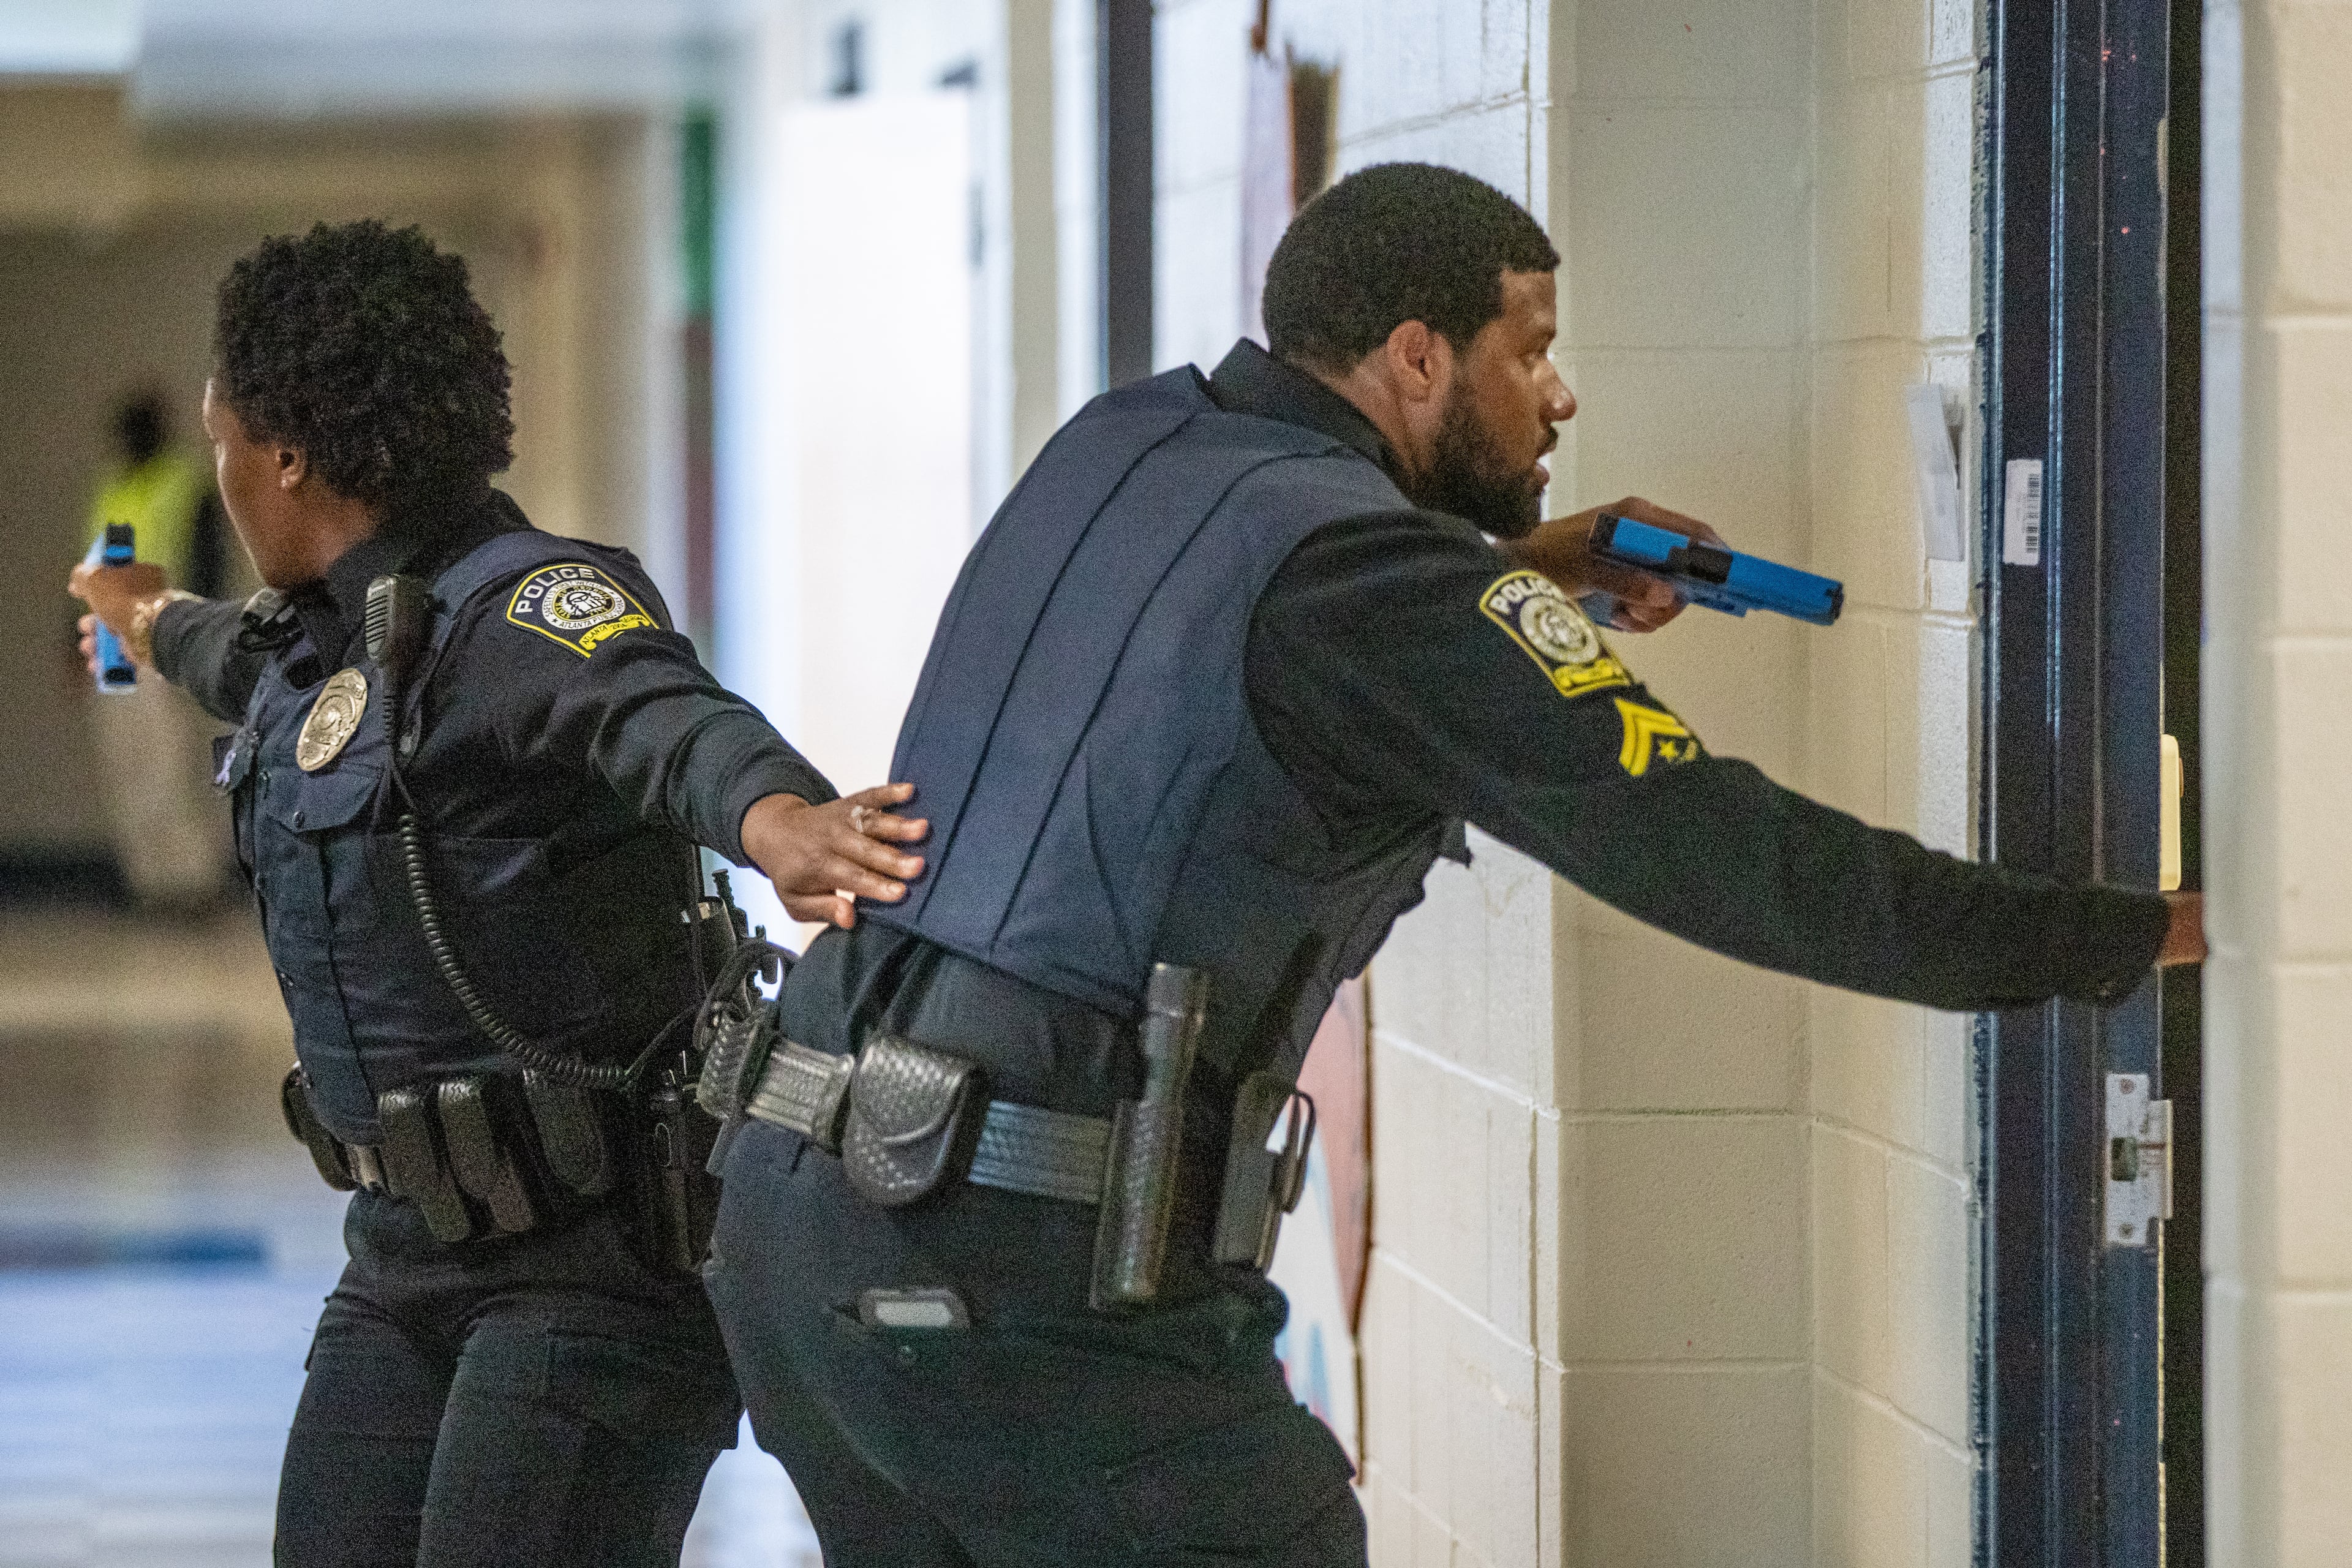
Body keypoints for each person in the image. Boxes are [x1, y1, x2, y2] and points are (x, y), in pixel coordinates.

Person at [697, 162, 2207, 1568]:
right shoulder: (1375, 585)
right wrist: (2118, 933)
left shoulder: (1125, 441)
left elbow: (1228, 637)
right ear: (1416, 359)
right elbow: (1730, 853)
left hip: (799, 1231)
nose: (1557, 396)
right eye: (1525, 350)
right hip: (1021, 1278)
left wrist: (1508, 575)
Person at [68, 220, 927, 1568]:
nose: (220, 466)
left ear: (287, 456)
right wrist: (135, 612)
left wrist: (781, 818)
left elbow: (659, 715)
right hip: (403, 1256)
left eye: (222, 435)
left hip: (590, 1269)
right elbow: (215, 648)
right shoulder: (318, 644)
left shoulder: (528, 608)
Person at [81, 390, 235, 908]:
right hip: (110, 642)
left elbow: (207, 561)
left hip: (161, 635)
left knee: (171, 760)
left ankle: (193, 881)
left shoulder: (184, 483)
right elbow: (92, 571)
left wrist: (196, 637)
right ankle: (150, 881)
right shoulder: (114, 487)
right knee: (128, 759)